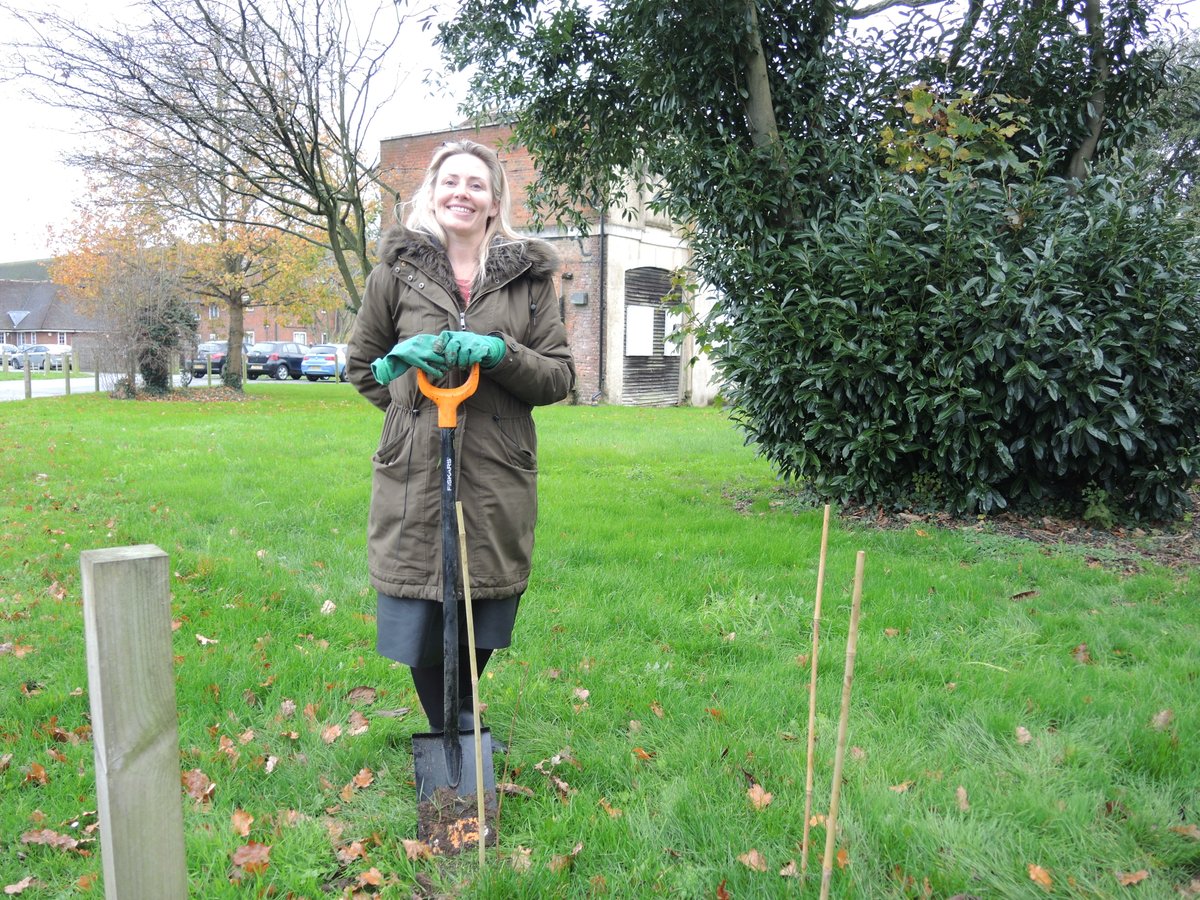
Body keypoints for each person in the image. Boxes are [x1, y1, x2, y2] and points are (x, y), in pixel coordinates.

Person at [347, 140, 575, 740]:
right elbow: (362, 366)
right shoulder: (394, 275)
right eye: (451, 182)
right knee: (423, 604)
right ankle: (452, 729)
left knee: (481, 602)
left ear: (496, 200)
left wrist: (503, 354)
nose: (462, 193)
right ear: (431, 192)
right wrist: (401, 378)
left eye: (476, 184)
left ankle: (461, 719)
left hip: (496, 469)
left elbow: (558, 378)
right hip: (416, 470)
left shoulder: (529, 282)